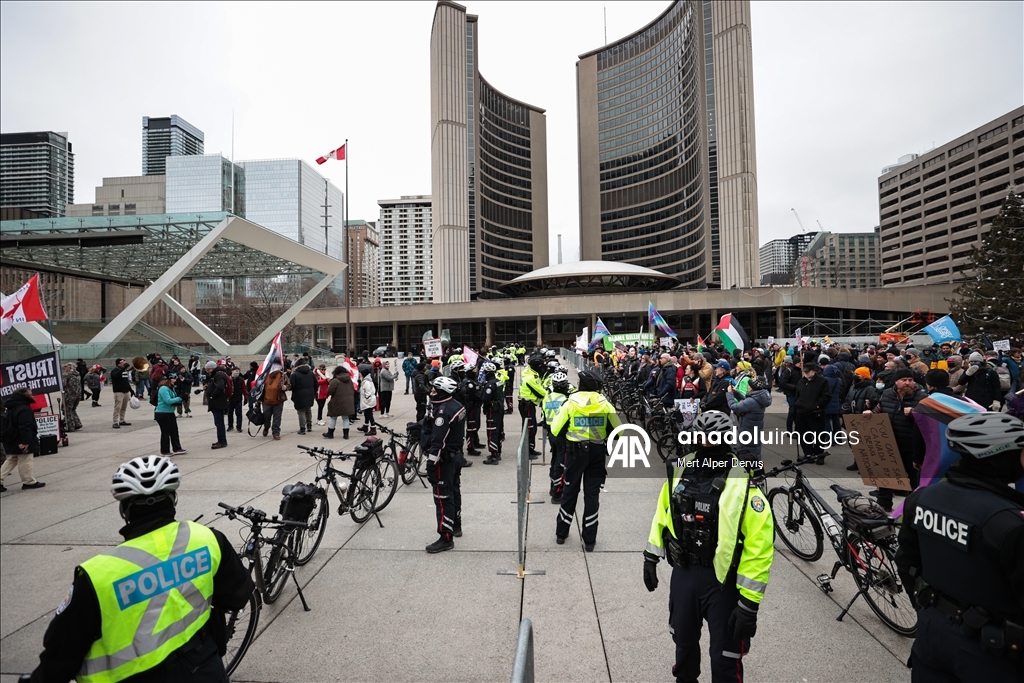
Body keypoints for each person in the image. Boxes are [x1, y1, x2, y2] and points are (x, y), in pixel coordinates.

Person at [25, 455, 254, 681]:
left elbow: (61, 654)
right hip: (202, 669)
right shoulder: (206, 538)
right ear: (173, 499)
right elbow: (237, 596)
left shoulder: (98, 575)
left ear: (124, 509)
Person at [643, 410, 774, 683]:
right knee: (684, 644)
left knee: (724, 658)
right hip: (685, 572)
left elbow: (759, 544)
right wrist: (651, 556)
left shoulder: (744, 481)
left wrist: (749, 602)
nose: (706, 444)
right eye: (702, 437)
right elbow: (663, 512)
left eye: (713, 439)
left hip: (722, 582)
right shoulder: (680, 468)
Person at [895, 412, 1024, 683]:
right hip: (993, 651)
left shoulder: (921, 498)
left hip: (933, 634)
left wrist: (928, 611)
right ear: (1002, 456)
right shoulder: (1008, 523)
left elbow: (906, 562)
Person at [549, 369, 621, 550]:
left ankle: (561, 533)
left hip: (574, 454)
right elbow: (620, 431)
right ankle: (590, 540)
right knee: (592, 495)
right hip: (597, 454)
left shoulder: (570, 403)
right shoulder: (605, 404)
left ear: (581, 385)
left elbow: (556, 430)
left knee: (569, 492)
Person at [866, 368, 927, 511]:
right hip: (889, 442)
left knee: (914, 479)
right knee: (887, 475)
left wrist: (914, 413)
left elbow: (928, 420)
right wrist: (871, 412)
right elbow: (880, 408)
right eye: (904, 380)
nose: (907, 383)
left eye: (910, 380)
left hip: (910, 444)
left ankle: (915, 508)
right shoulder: (887, 394)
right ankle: (884, 504)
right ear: (896, 382)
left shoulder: (922, 398)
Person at [421, 376, 467, 553]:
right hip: (456, 457)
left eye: (434, 390)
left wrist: (431, 465)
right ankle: (456, 525)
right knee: (454, 491)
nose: (431, 392)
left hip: (444, 461)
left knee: (442, 498)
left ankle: (445, 537)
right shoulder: (457, 405)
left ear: (442, 392)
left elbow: (438, 442)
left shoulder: (443, 412)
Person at [1, 387, 45, 490]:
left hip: (12, 437)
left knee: (12, 459)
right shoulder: (24, 408)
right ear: (25, 396)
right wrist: (26, 441)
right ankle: (28, 481)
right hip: (20, 438)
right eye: (30, 394)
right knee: (25, 459)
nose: (32, 396)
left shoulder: (12, 406)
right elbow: (25, 426)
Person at [726, 375, 772, 462]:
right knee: (755, 451)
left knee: (747, 454)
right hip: (754, 430)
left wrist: (729, 393)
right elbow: (747, 402)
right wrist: (736, 393)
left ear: (751, 387)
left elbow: (734, 406)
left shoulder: (752, 401)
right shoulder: (759, 398)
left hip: (747, 431)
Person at [542, 371, 572, 504]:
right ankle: (557, 493)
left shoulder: (547, 398)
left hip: (550, 434)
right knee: (561, 463)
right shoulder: (566, 400)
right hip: (562, 435)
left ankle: (552, 486)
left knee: (554, 460)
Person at [793, 362, 832, 465]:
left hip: (815, 413)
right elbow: (797, 395)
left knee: (818, 436)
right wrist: (797, 405)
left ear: (814, 371)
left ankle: (819, 455)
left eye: (808, 371)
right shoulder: (801, 381)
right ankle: (808, 454)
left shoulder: (822, 381)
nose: (805, 373)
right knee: (803, 435)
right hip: (801, 412)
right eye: (804, 371)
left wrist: (817, 405)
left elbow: (827, 396)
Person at [519, 355, 547, 457]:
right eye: (540, 365)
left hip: (529, 404)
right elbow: (541, 393)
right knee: (529, 429)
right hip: (527, 405)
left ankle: (531, 449)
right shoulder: (531, 378)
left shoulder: (530, 373)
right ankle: (526, 452)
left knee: (533, 427)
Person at [154, 373, 187, 456]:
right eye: (174, 379)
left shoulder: (171, 388)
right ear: (168, 379)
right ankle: (165, 451)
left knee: (174, 431)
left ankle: (177, 448)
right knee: (166, 432)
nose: (175, 380)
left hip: (170, 412)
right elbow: (168, 400)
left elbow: (174, 399)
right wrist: (180, 398)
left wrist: (182, 397)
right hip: (162, 413)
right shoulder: (163, 388)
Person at [479, 362, 504, 465]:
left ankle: (493, 455)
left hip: (492, 410)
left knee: (492, 431)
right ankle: (497, 452)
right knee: (498, 430)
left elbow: (485, 399)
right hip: (499, 408)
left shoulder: (489, 385)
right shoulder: (499, 381)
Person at [323, 365, 356, 439]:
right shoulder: (349, 380)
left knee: (333, 417)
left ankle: (330, 433)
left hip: (337, 401)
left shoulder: (335, 381)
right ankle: (346, 434)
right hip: (348, 401)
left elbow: (330, 391)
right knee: (345, 417)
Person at [202, 361, 229, 449]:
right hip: (217, 402)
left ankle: (222, 441)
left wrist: (212, 396)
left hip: (218, 402)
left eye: (207, 369)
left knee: (219, 423)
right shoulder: (217, 374)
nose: (207, 371)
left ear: (211, 368)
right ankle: (221, 440)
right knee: (219, 423)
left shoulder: (219, 375)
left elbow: (220, 387)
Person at [260, 365, 289, 440]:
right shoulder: (264, 375)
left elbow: (289, 384)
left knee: (277, 417)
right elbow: (259, 387)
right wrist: (258, 399)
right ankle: (266, 427)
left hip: (278, 401)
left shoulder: (282, 375)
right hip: (266, 401)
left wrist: (286, 387)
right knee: (266, 417)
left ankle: (276, 432)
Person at [290, 359, 316, 436]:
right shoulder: (311, 373)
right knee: (308, 410)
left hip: (299, 395)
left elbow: (292, 386)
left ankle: (302, 428)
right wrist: (313, 392)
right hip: (310, 394)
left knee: (301, 411)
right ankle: (309, 426)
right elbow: (316, 384)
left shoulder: (294, 374)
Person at [778, 354, 800, 432]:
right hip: (791, 394)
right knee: (792, 412)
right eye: (799, 363)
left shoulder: (802, 371)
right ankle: (789, 431)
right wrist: (794, 387)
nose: (801, 364)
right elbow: (783, 383)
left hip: (799, 395)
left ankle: (798, 430)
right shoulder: (789, 371)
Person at [61, 362, 83, 433]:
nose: (65, 368)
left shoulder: (66, 375)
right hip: (77, 395)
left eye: (66, 367)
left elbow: (63, 384)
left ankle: (70, 426)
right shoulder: (77, 374)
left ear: (70, 367)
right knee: (72, 409)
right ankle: (77, 423)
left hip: (69, 395)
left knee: (66, 410)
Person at [357, 364, 377, 435]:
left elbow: (368, 392)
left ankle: (373, 427)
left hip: (368, 401)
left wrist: (366, 398)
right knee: (366, 414)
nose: (359, 376)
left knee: (369, 414)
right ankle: (365, 425)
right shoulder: (366, 381)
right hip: (368, 401)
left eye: (360, 375)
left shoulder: (367, 382)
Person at [228, 366, 245, 433]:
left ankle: (239, 426)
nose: (237, 372)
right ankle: (230, 425)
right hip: (230, 399)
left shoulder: (241, 379)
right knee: (230, 413)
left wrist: (246, 397)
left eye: (238, 371)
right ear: (232, 371)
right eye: (235, 370)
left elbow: (244, 388)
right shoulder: (228, 379)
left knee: (239, 413)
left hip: (238, 399)